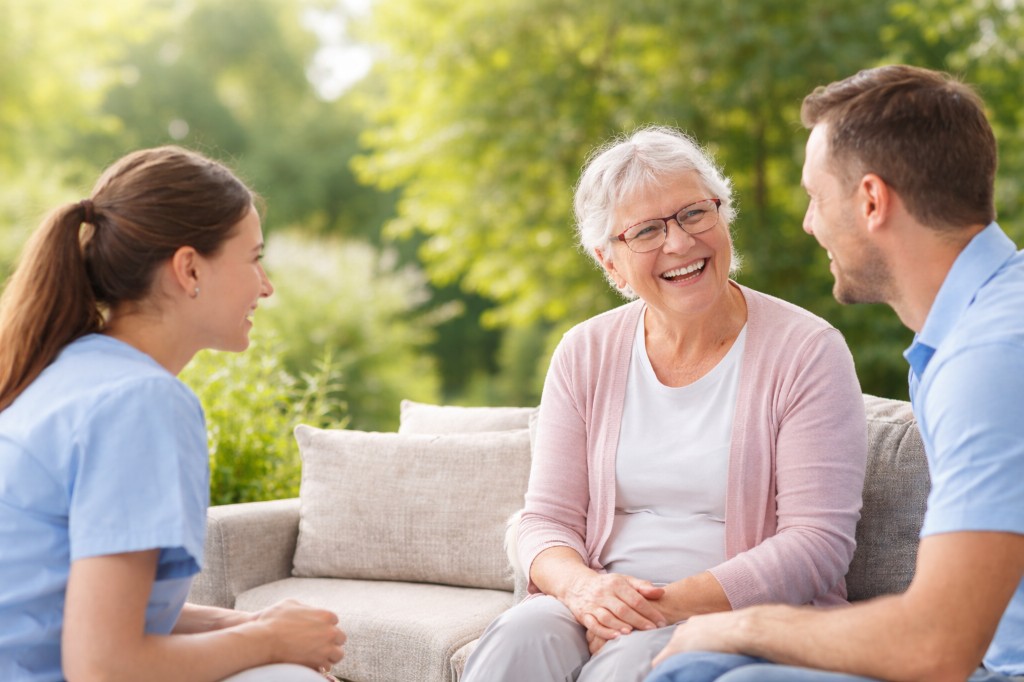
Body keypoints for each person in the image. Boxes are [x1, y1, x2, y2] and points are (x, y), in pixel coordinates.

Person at [646, 65, 1024, 682]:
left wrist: (742, 624)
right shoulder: (977, 329)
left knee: (705, 671)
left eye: (815, 198)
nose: (808, 223)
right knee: (707, 661)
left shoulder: (988, 361)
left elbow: (936, 645)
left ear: (871, 201)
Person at [460, 126, 868, 682]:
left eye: (694, 213)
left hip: (734, 617)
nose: (678, 243)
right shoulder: (584, 352)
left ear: (722, 216)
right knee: (520, 635)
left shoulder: (807, 351)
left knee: (630, 664)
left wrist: (656, 609)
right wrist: (586, 591)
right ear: (610, 263)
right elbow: (545, 521)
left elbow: (816, 544)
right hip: (601, 600)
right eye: (646, 231)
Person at [0, 146, 346, 682]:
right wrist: (270, 640)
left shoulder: (67, 370)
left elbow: (83, 606)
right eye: (253, 258)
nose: (266, 285)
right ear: (189, 269)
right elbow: (103, 666)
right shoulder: (141, 402)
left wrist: (249, 625)